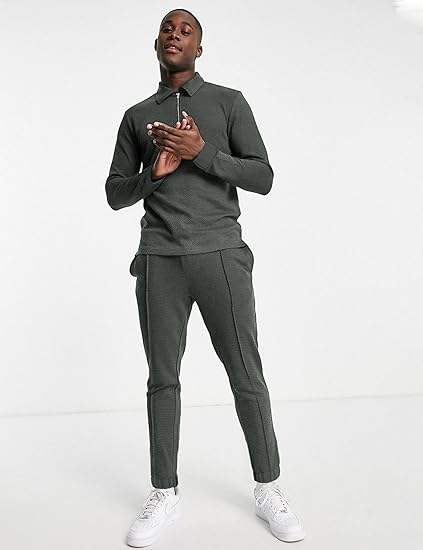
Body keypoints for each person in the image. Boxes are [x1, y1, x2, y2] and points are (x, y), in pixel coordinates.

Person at [105, 7, 305, 547]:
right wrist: (153, 174)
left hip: (221, 255)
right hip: (159, 259)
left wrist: (203, 153)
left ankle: (269, 487)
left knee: (246, 373)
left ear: (199, 48)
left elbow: (263, 176)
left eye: (186, 30)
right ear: (156, 44)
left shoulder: (228, 102)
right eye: (167, 28)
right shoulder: (136, 115)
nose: (175, 34)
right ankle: (163, 492)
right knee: (162, 379)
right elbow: (114, 193)